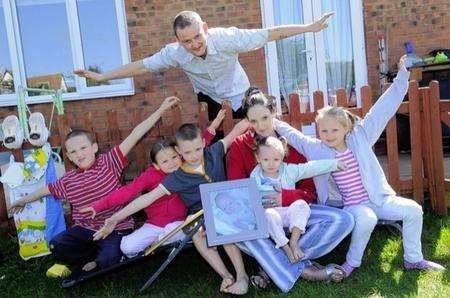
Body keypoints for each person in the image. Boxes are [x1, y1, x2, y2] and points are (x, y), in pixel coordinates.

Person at [274, 55, 445, 277]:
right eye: (324, 131)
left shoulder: (361, 136)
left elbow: (383, 109)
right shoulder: (317, 149)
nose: (328, 135)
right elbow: (295, 136)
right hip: (351, 205)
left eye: (334, 130)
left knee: (414, 210)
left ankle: (413, 259)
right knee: (367, 218)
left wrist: (402, 76)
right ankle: (351, 263)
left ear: (346, 128)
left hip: (378, 198)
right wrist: (274, 122)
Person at [9, 96, 181, 272]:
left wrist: (161, 110)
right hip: (86, 229)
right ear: (68, 156)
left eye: (83, 148)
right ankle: (92, 255)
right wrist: (23, 200)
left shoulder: (110, 161)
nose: (79, 154)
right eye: (73, 152)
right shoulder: (68, 180)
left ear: (94, 148)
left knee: (109, 259)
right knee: (55, 246)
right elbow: (45, 190)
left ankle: (101, 259)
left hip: (115, 227)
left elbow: (135, 134)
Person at [74, 10, 334, 120]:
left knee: (259, 123)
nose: (195, 44)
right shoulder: (174, 53)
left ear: (206, 29)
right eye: (187, 41)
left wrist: (309, 29)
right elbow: (141, 66)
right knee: (219, 144)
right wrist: (102, 77)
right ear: (178, 40)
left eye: (198, 36)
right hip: (210, 97)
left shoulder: (226, 38)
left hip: (240, 92)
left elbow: (269, 34)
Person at [91, 121, 251, 295]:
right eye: (187, 152)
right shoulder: (177, 177)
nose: (194, 155)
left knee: (221, 226)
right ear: (179, 152)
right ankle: (226, 275)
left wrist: (257, 118)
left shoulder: (215, 151)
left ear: (204, 143)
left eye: (197, 149)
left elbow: (237, 129)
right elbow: (146, 198)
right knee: (197, 233)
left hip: (226, 206)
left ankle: (242, 277)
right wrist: (115, 218)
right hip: (199, 215)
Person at [227, 86, 355, 287]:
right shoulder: (238, 147)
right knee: (236, 232)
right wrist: (268, 200)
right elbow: (240, 193)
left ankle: (272, 266)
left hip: (294, 212)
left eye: (265, 118)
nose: (260, 126)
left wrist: (283, 197)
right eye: (253, 121)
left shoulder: (291, 142)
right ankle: (306, 270)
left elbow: (309, 192)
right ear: (247, 121)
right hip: (261, 216)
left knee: (344, 220)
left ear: (274, 113)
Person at [79, 110, 225, 257]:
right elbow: (127, 192)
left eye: (174, 157)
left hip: (179, 222)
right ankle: (157, 243)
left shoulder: (185, 167)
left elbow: (202, 144)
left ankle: (161, 243)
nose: (172, 163)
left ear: (180, 154)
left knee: (172, 234)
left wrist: (215, 123)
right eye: (164, 161)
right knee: (127, 247)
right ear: (156, 165)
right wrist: (98, 206)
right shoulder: (151, 175)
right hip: (155, 224)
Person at [250, 136, 346, 264]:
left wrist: (334, 164)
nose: (271, 164)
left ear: (283, 156)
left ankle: (294, 242)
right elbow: (253, 199)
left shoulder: (289, 170)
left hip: (289, 214)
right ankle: (286, 248)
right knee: (267, 215)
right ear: (258, 158)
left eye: (276, 159)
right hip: (272, 217)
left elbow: (310, 168)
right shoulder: (254, 177)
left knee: (301, 205)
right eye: (266, 159)